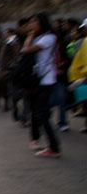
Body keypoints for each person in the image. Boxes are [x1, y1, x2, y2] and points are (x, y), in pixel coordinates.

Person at [20, 13, 61, 157]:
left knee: (42, 113)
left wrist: (30, 35)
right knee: (39, 113)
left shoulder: (49, 38)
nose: (31, 25)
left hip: (46, 80)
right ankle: (42, 141)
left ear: (41, 23)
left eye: (34, 22)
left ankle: (54, 147)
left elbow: (27, 50)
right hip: (38, 79)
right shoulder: (40, 37)